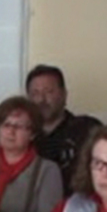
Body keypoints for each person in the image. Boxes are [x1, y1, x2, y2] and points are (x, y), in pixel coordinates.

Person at [26, 65, 101, 193]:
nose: (41, 100)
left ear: (64, 95)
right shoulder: (22, 134)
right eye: (35, 93)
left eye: (49, 92)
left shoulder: (87, 128)